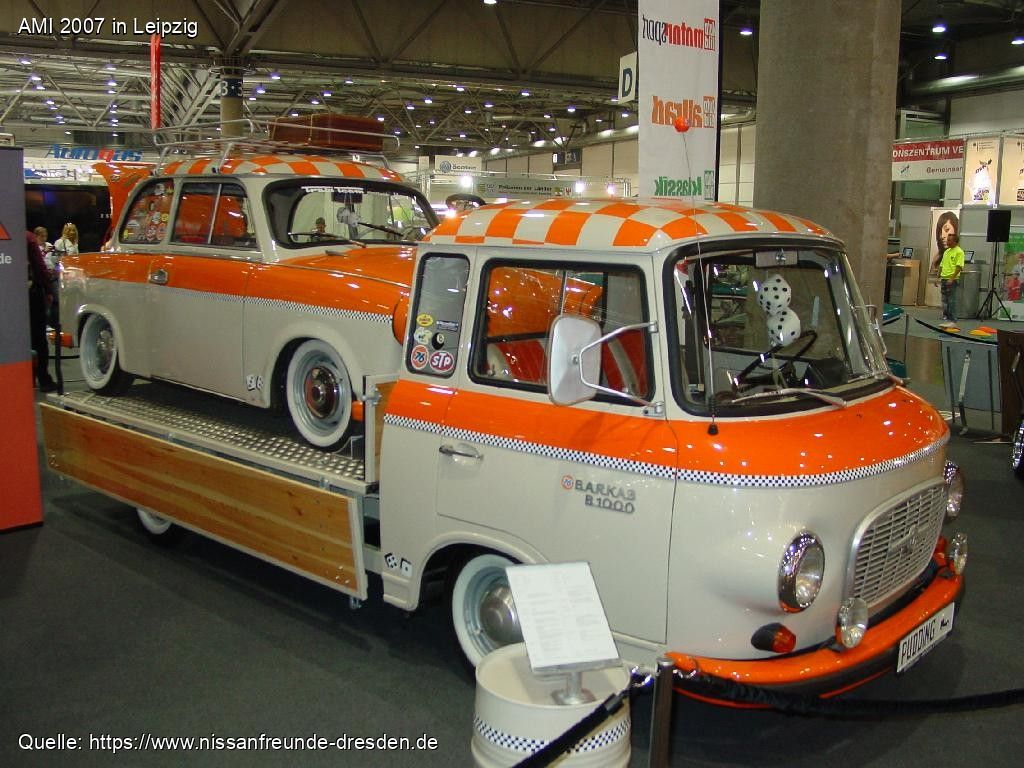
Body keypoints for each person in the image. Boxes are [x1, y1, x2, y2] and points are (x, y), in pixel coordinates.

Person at [27, 231, 57, 392]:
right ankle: (44, 379)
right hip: (31, 295)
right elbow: (39, 267)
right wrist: (49, 290)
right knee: (38, 338)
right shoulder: (28, 238)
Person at [935, 231, 965, 325]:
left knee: (951, 300)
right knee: (944, 300)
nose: (947, 242)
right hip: (944, 278)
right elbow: (941, 265)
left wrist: (952, 278)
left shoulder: (959, 252)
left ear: (955, 242)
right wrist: (937, 277)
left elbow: (959, 267)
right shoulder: (946, 251)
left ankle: (953, 319)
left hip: (952, 279)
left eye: (949, 240)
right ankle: (946, 316)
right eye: (947, 240)